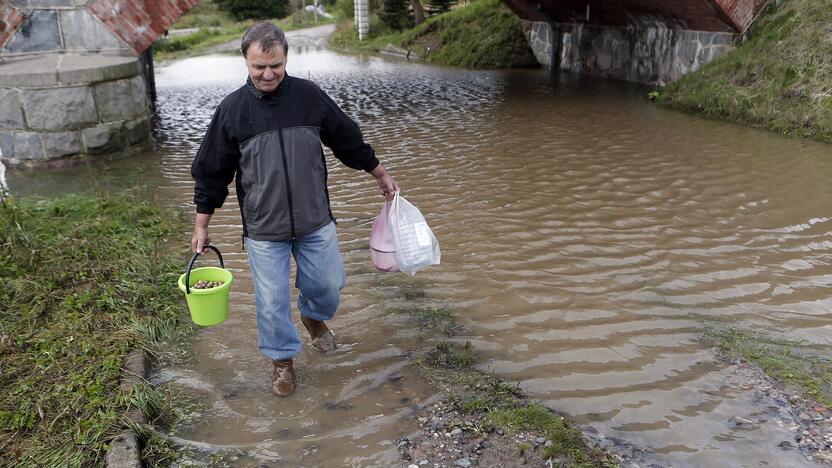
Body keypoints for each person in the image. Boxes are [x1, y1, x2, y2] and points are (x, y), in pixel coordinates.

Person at [190, 22, 399, 397]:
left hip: (314, 219)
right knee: (271, 303)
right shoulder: (232, 111)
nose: (268, 74)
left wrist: (379, 173)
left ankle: (313, 317)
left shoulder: (309, 97)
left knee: (329, 286)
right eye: (259, 67)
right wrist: (201, 225)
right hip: (264, 228)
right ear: (246, 61)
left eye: (276, 66)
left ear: (286, 59)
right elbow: (211, 172)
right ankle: (282, 361)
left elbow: (348, 140)